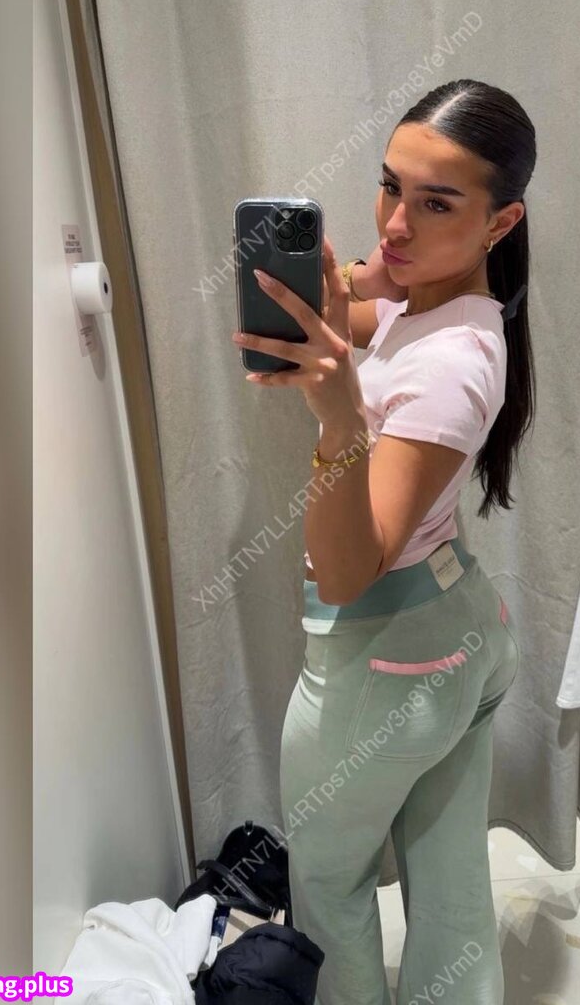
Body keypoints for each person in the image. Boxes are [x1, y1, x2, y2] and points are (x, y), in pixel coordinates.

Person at [230, 79, 537, 1004]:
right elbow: (353, 311)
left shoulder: (451, 364)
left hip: (389, 659)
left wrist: (338, 421)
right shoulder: (434, 305)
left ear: (501, 222)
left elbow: (345, 571)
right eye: (390, 186)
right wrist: (345, 286)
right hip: (456, 629)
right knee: (448, 868)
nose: (396, 225)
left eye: (436, 203)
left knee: (328, 881)